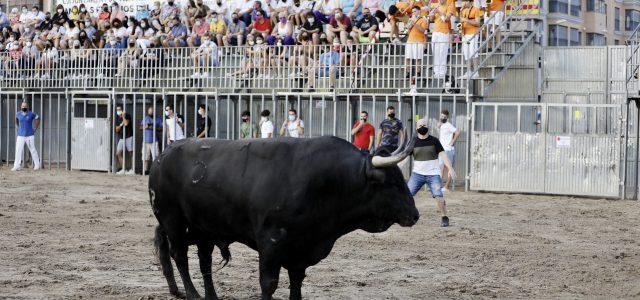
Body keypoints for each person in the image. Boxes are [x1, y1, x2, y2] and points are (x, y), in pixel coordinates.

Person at [407, 118, 456, 227]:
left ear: (428, 127)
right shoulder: (413, 141)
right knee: (407, 195)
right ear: (416, 128)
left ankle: (444, 217)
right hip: (417, 174)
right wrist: (396, 166)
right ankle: (409, 215)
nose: (422, 127)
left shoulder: (434, 141)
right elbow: (405, 157)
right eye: (420, 126)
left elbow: (443, 155)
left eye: (424, 125)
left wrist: (450, 168)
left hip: (433, 174)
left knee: (438, 196)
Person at [429, 0, 455, 79]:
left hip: (444, 32)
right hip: (435, 31)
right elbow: (431, 19)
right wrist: (431, 14)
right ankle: (436, 72)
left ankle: (442, 73)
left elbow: (447, 19)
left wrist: (439, 12)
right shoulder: (437, 6)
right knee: (435, 52)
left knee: (442, 52)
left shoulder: (449, 6)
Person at [11, 101, 41, 171]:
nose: (24, 107)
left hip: (30, 135)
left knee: (33, 150)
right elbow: (16, 119)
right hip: (20, 135)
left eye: (25, 106)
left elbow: (38, 118)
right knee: (18, 150)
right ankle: (17, 166)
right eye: (23, 106)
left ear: (27, 107)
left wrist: (35, 128)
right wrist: (18, 127)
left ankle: (37, 165)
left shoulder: (31, 114)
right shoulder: (18, 113)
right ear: (21, 107)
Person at [438, 110, 460, 192]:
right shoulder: (442, 125)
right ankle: (439, 186)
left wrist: (452, 142)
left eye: (444, 117)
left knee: (449, 168)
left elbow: (457, 132)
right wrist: (440, 121)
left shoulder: (448, 125)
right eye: (441, 116)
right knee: (441, 168)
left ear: (447, 117)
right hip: (442, 150)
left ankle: (446, 186)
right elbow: (438, 125)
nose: (443, 118)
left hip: (448, 150)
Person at [459, 0, 482, 78]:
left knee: (473, 52)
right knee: (466, 53)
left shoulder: (476, 9)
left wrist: (466, 20)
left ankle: (476, 72)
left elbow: (478, 23)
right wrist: (460, 31)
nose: (464, 3)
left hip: (473, 33)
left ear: (471, 2)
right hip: (465, 34)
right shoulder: (463, 10)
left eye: (466, 1)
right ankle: (468, 71)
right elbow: (460, 23)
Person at [404, 6, 428, 79]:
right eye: (412, 11)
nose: (413, 13)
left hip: (419, 41)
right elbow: (407, 30)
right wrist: (409, 24)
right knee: (408, 57)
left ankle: (418, 73)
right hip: (410, 40)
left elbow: (423, 30)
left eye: (414, 11)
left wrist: (414, 23)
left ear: (419, 11)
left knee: (418, 58)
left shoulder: (423, 20)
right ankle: (408, 72)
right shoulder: (411, 19)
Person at [141, 106, 163, 173]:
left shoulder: (158, 119)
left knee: (155, 157)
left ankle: (154, 171)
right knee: (145, 157)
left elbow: (161, 129)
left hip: (154, 141)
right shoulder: (145, 119)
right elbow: (140, 128)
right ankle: (145, 170)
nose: (150, 112)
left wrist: (154, 127)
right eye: (149, 111)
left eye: (152, 111)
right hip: (145, 141)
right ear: (148, 112)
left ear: (154, 112)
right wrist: (146, 126)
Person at [115, 104, 134, 175]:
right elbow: (116, 130)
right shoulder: (117, 118)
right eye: (117, 110)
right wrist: (120, 125)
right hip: (122, 138)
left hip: (129, 137)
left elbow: (126, 123)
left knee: (131, 153)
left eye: (119, 109)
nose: (118, 111)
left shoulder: (127, 115)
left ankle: (132, 169)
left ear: (122, 110)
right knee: (118, 153)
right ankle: (123, 169)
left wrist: (123, 116)